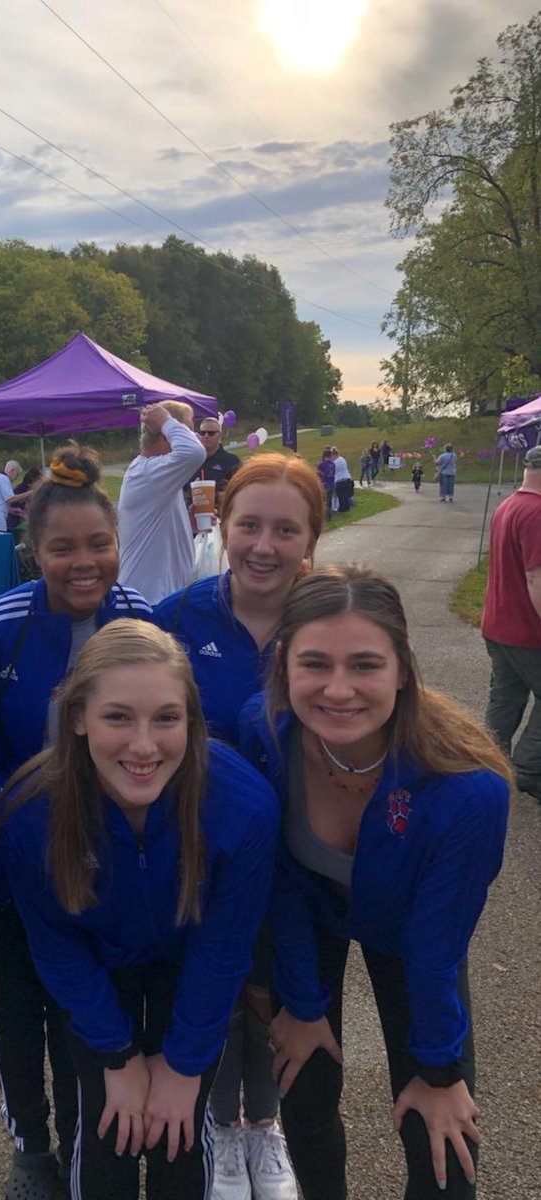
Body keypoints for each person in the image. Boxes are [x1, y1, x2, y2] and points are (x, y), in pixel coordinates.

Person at [241, 565, 511, 1199]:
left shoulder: (469, 789)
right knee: (304, 1096)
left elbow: (435, 946)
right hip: (309, 916)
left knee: (441, 1134)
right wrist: (303, 1006)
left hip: (412, 932)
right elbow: (280, 882)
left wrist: (440, 1070)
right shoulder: (266, 731)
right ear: (283, 663)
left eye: (365, 664)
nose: (338, 690)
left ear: (403, 669)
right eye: (315, 664)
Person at [0, 620, 280, 1200]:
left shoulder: (243, 805)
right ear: (78, 718)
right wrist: (118, 1057)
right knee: (106, 1125)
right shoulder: (30, 814)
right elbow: (56, 946)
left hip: (188, 963)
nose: (144, 746)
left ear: (193, 721)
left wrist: (181, 1067)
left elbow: (223, 951)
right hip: (99, 966)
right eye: (118, 717)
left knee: (178, 1130)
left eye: (167, 719)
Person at [0, 445, 152, 1199]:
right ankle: (31, 1146)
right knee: (19, 1008)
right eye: (64, 548)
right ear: (34, 552)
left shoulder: (141, 623)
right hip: (8, 877)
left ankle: (89, 1132)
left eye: (100, 544)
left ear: (119, 545)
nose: (84, 562)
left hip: (113, 871)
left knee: (89, 1005)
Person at [153, 451, 324, 1200]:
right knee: (215, 990)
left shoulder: (330, 616)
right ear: (220, 526)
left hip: (305, 859)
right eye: (248, 524)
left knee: (282, 995)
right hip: (204, 854)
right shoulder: (177, 618)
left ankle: (267, 1128)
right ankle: (222, 1127)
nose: (264, 545)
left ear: (311, 538)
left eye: (285, 529)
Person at [481, 442, 541, 802]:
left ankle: (488, 762)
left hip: (498, 623)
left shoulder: (509, 505)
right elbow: (536, 579)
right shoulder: (537, 512)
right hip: (526, 630)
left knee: (506, 698)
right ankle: (529, 769)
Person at [118, 402, 207, 604]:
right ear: (166, 434)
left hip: (160, 597)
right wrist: (166, 420)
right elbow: (195, 453)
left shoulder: (155, 472)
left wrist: (186, 526)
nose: (196, 438)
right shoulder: (148, 473)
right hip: (149, 600)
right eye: (188, 431)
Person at [187, 416, 241, 504]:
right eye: (202, 433)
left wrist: (216, 496)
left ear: (219, 435)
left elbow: (240, 491)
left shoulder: (231, 461)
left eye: (211, 433)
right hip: (192, 513)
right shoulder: (192, 460)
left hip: (220, 512)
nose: (206, 436)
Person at [7, 466, 43, 536]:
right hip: (13, 525)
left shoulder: (27, 489)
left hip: (18, 522)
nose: (40, 484)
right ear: (33, 481)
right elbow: (14, 509)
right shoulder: (22, 490)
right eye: (39, 481)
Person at [330, 448, 353, 513]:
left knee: (341, 496)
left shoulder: (335, 462)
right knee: (345, 495)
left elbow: (333, 472)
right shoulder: (342, 459)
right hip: (347, 478)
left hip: (340, 480)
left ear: (334, 455)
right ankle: (347, 508)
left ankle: (342, 509)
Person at [315, 448, 335, 522]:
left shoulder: (321, 464)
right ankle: (329, 516)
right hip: (332, 484)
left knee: (324, 502)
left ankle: (325, 516)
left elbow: (317, 473)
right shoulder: (333, 464)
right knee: (329, 501)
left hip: (325, 485)